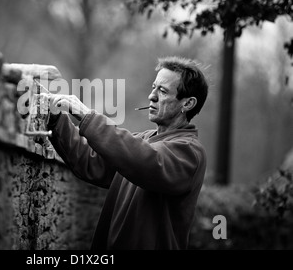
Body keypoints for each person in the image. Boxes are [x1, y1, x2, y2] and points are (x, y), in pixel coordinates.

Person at [46, 56, 209, 250]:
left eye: (162, 91)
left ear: (188, 104)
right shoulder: (144, 140)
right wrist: (57, 118)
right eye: (153, 87)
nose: (152, 96)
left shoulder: (190, 151)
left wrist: (88, 117)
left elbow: (147, 160)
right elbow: (90, 161)